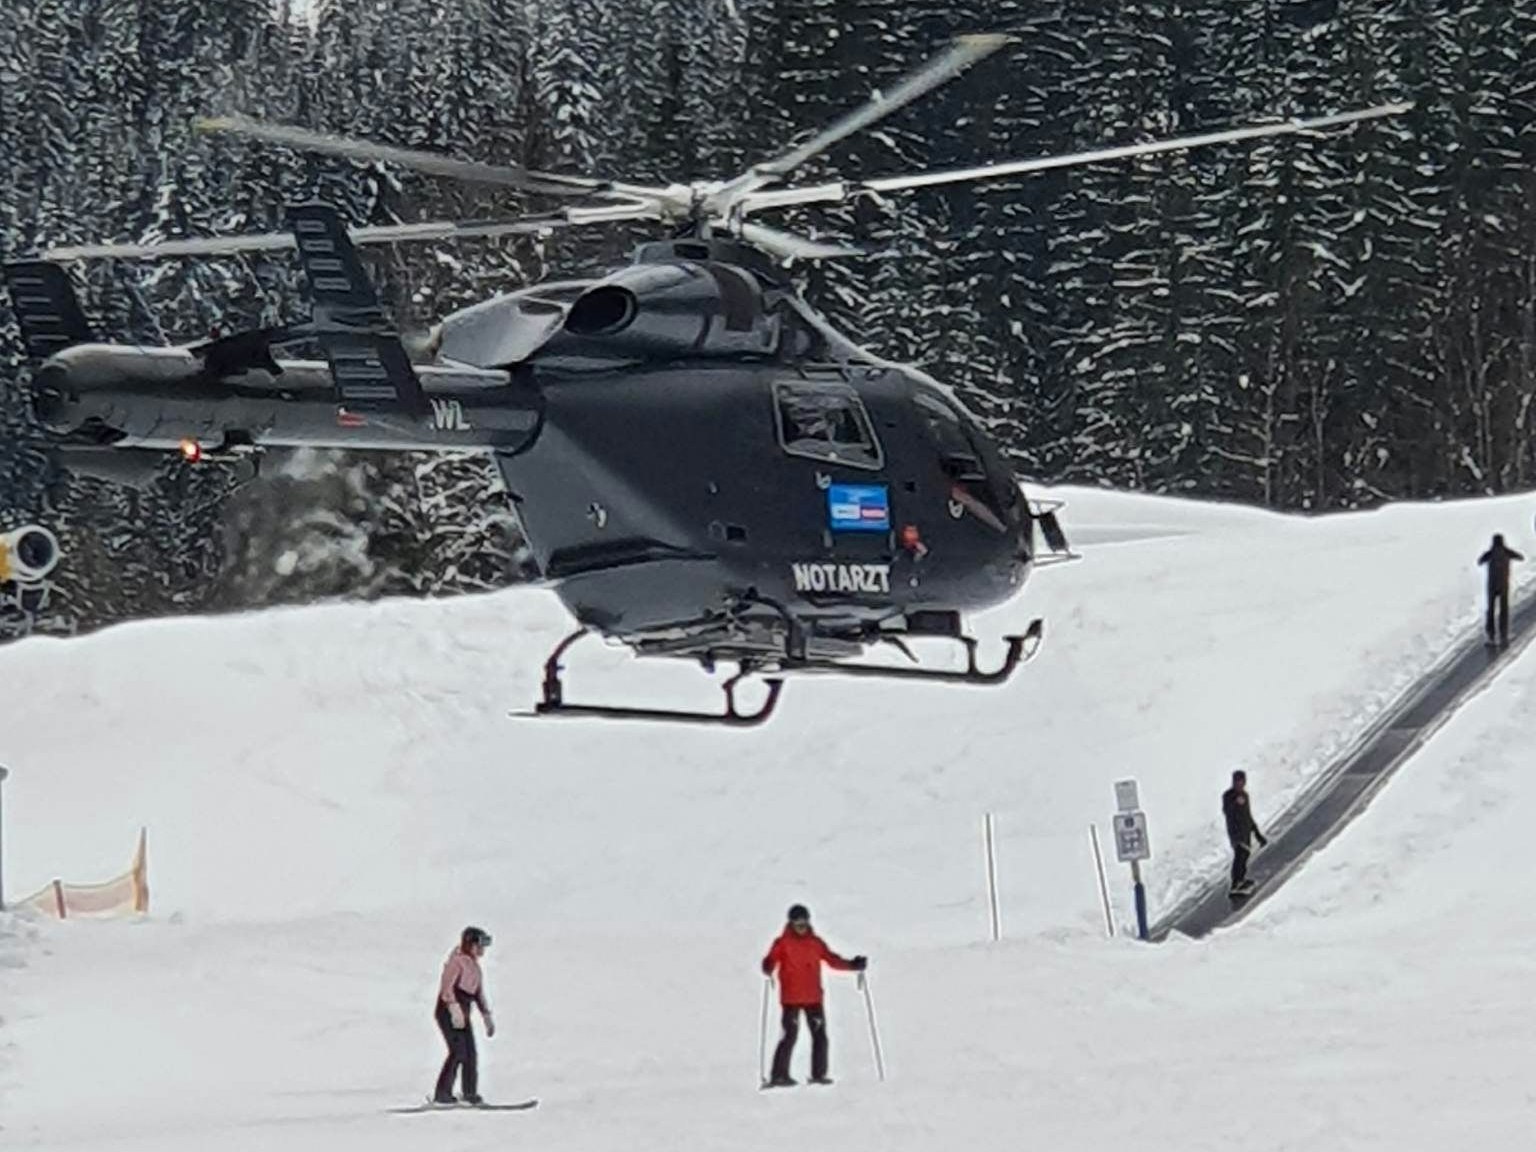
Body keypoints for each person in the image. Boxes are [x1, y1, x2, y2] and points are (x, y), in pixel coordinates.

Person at [760, 904, 866, 1087]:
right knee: (789, 1036)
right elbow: (772, 959)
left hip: (813, 998)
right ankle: (779, 1075)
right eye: (797, 923)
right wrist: (767, 965)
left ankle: (819, 1074)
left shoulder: (815, 943)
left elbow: (832, 960)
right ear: (791, 923)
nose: (801, 927)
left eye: (804, 922)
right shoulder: (782, 943)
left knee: (820, 1037)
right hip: (791, 999)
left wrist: (852, 965)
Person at [433, 925, 496, 1105]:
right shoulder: (457, 961)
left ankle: (470, 1093)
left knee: (470, 1053)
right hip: (448, 1011)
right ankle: (442, 1093)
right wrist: (453, 1008)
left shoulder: (474, 966)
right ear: (470, 944)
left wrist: (486, 1016)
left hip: (463, 1014)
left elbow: (478, 993)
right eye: (480, 945)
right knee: (458, 1051)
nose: (482, 949)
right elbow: (446, 988)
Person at [1222, 771, 1268, 896]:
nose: (1239, 784)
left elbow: (1248, 816)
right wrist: (1235, 802)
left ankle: (1241, 879)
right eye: (1237, 781)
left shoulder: (1245, 796)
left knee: (1245, 854)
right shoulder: (1228, 796)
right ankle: (1236, 882)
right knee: (1240, 854)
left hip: (1245, 830)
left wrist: (1257, 833)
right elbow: (1227, 811)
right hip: (1235, 831)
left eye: (1241, 781)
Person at [1478, 533, 1524, 646]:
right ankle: (1504, 635)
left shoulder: (1490, 553)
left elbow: (1480, 561)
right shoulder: (1507, 552)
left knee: (1491, 610)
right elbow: (1521, 557)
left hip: (1492, 586)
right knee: (1504, 610)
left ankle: (1491, 636)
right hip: (1503, 585)